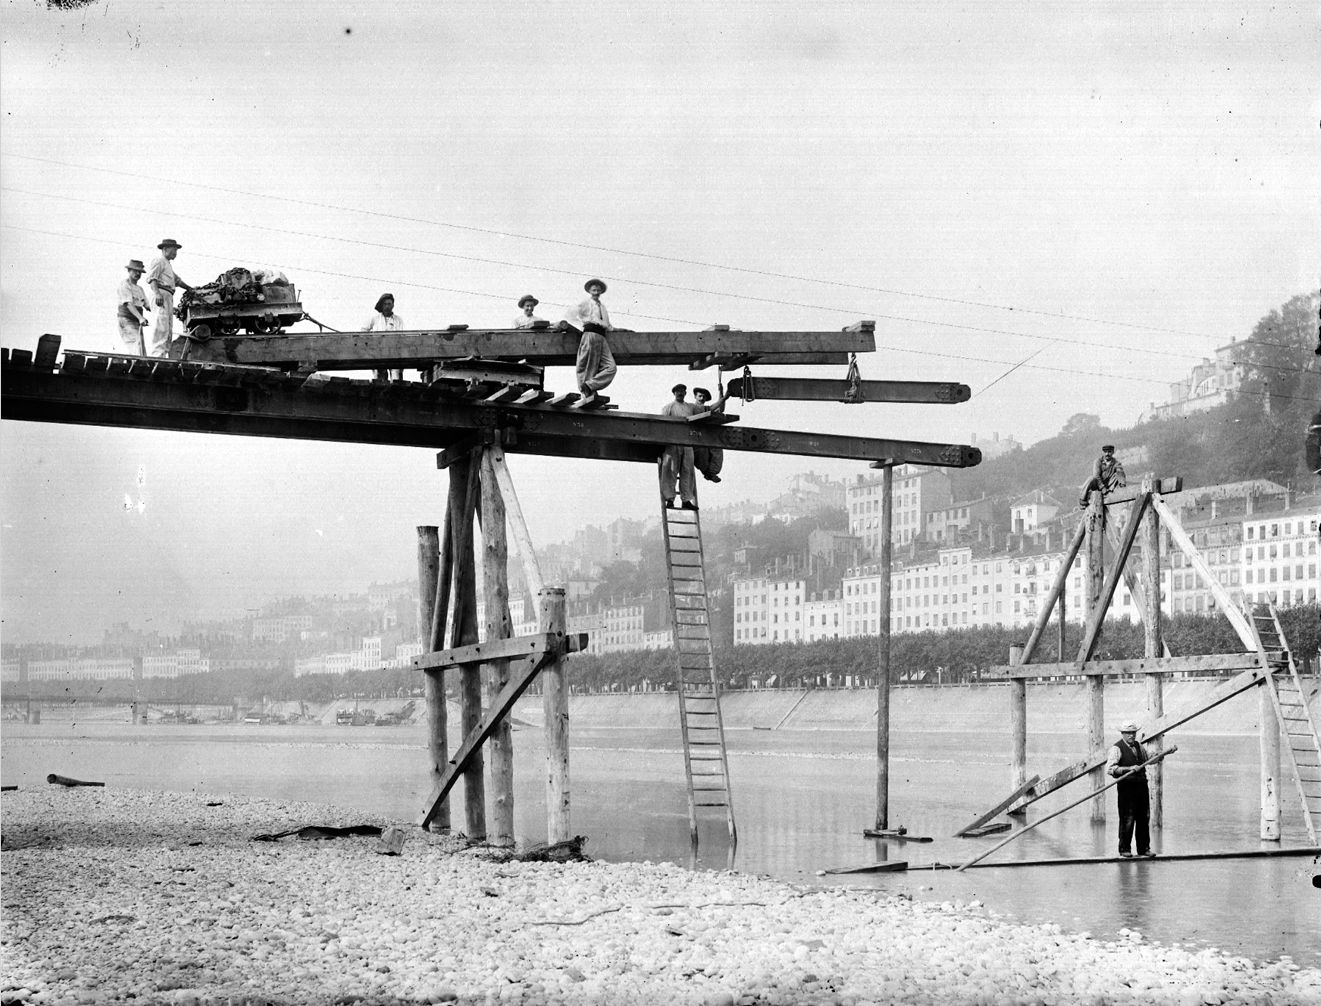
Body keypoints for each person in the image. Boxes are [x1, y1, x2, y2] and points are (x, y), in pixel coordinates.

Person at [1106, 721, 1153, 858]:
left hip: (1142, 787)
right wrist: (1128, 768)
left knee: (1144, 818)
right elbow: (1110, 769)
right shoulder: (1116, 749)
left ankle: (1144, 849)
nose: (1132, 735)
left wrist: (1160, 756)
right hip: (1127, 788)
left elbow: (1148, 758)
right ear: (1123, 734)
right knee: (1127, 819)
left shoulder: (1139, 746)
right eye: (1128, 733)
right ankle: (1125, 849)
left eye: (1133, 733)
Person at [565, 278, 617, 402]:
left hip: (602, 336)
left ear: (601, 291)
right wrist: (582, 326)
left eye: (599, 289)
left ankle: (590, 386)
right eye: (594, 288)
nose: (596, 290)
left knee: (611, 367)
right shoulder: (585, 303)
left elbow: (608, 326)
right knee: (588, 366)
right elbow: (569, 315)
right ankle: (587, 395)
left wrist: (622, 330)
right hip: (590, 334)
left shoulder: (602, 307)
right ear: (589, 290)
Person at [146, 239, 192, 358]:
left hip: (168, 295)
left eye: (176, 250)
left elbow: (177, 281)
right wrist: (157, 294)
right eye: (174, 250)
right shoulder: (158, 261)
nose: (175, 253)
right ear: (165, 249)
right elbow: (152, 279)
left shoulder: (167, 264)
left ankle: (162, 355)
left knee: (167, 327)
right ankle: (156, 356)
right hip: (160, 293)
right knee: (160, 324)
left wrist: (189, 288)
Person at [659, 383, 700, 510]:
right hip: (673, 443)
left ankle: (686, 499)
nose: (680, 393)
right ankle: (669, 499)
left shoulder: (690, 407)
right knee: (671, 471)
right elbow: (662, 426)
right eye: (678, 391)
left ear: (685, 393)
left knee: (687, 471)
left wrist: (724, 397)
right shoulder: (668, 408)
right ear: (674, 393)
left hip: (687, 442)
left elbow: (706, 409)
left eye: (682, 391)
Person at [362, 293, 404, 381]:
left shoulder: (398, 320)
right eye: (385, 304)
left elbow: (401, 336)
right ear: (382, 305)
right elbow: (364, 330)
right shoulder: (375, 319)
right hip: (378, 352)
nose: (387, 306)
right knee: (379, 380)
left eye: (389, 304)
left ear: (393, 305)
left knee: (396, 378)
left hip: (394, 352)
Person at [691, 386, 728, 483]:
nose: (702, 398)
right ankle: (708, 473)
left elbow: (720, 408)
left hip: (708, 436)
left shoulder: (707, 408)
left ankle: (711, 473)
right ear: (695, 396)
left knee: (717, 450)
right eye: (700, 396)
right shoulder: (691, 407)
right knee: (701, 453)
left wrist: (721, 393)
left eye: (704, 397)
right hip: (696, 437)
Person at [117, 259, 151, 355]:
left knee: (141, 349)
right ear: (129, 271)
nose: (138, 273)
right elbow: (128, 304)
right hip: (126, 319)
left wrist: (170, 310)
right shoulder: (125, 285)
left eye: (140, 272)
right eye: (135, 271)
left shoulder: (140, 289)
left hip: (136, 322)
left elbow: (149, 306)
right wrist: (140, 318)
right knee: (136, 346)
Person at [1079, 443, 1126, 508]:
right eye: (1105, 452)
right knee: (1091, 478)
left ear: (1113, 452)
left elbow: (1120, 472)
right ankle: (1082, 499)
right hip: (1097, 485)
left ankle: (1111, 494)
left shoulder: (1116, 463)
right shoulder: (1098, 461)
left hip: (1108, 485)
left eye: (1109, 452)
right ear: (1103, 452)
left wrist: (1122, 483)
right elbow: (1096, 476)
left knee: (1117, 474)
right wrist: (1102, 488)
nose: (1107, 454)